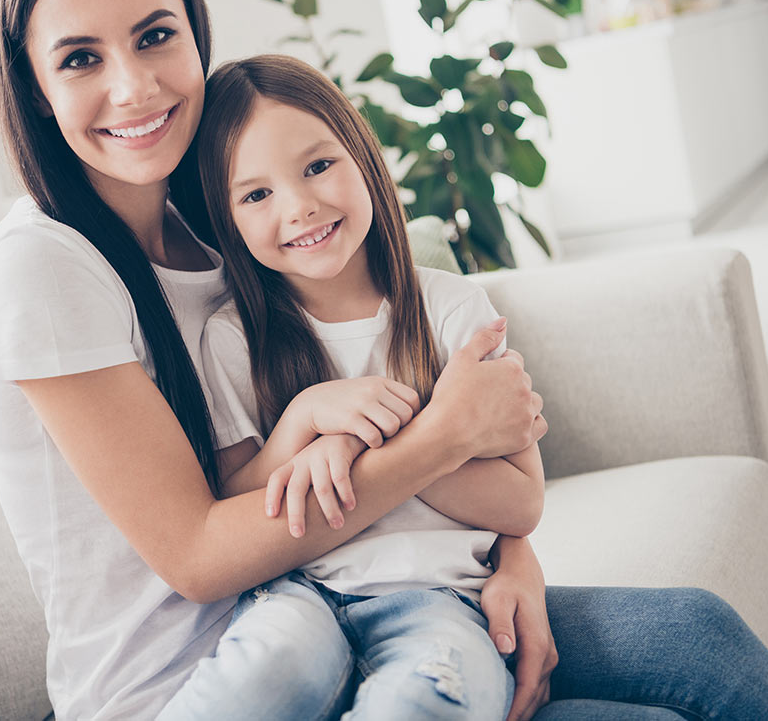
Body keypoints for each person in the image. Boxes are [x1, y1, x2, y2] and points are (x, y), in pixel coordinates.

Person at [0, 0, 768, 720]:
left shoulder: (222, 228)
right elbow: (198, 551)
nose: (133, 85)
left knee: (696, 639)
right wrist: (438, 435)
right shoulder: (42, 268)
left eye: (157, 36)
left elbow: (453, 461)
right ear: (35, 88)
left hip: (351, 603)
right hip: (208, 672)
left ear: (196, 34)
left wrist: (512, 555)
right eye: (80, 58)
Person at [159, 53, 545, 719]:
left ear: (362, 155)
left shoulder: (454, 312)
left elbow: (521, 504)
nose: (301, 206)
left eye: (317, 166)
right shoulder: (230, 339)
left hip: (441, 598)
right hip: (296, 595)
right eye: (257, 194)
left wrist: (373, 444)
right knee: (253, 683)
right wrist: (306, 421)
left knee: (433, 697)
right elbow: (233, 504)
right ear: (227, 219)